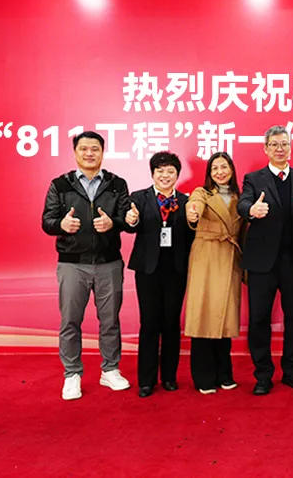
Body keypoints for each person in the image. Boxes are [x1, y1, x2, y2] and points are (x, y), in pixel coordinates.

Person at [41, 131, 132, 400]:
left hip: (109, 263)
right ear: (75, 153)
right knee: (70, 321)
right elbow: (47, 222)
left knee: (110, 320)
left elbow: (127, 220)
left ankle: (110, 370)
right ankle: (72, 374)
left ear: (102, 152)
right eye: (84, 149)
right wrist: (61, 225)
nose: (89, 153)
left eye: (95, 148)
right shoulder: (60, 185)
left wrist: (113, 223)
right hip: (72, 264)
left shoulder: (117, 184)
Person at [238, 125, 293, 396]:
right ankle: (263, 374)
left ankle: (292, 371)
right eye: (274, 144)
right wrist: (252, 209)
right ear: (266, 149)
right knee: (259, 318)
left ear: (291, 148)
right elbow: (242, 204)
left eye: (284, 144)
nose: (280, 149)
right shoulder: (253, 178)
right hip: (262, 262)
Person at [124, 152, 194, 398]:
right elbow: (129, 223)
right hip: (148, 270)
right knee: (150, 322)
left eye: (170, 171)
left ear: (177, 175)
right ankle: (146, 380)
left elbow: (191, 234)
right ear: (153, 173)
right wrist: (131, 219)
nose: (165, 176)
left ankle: (169, 377)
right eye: (160, 171)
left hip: (176, 270)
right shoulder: (139, 198)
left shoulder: (186, 202)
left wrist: (194, 220)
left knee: (171, 323)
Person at [184, 152, 244, 394]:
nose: (220, 172)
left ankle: (224, 374)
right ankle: (204, 377)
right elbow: (193, 205)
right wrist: (192, 213)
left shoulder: (240, 198)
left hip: (230, 257)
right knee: (203, 315)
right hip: (206, 257)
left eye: (224, 167)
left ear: (232, 170)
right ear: (209, 173)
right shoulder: (202, 193)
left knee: (224, 317)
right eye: (215, 168)